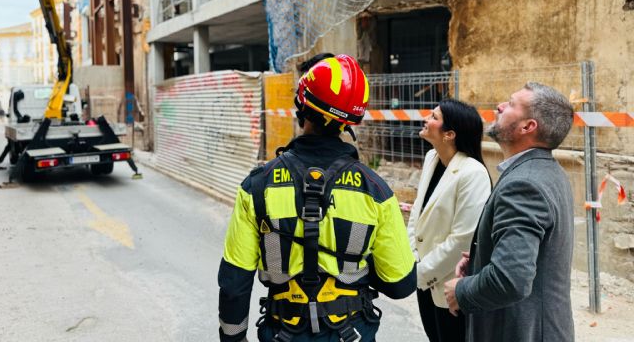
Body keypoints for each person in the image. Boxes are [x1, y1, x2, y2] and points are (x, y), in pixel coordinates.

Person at [218, 54, 416, 342]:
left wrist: (233, 338)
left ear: (302, 108)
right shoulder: (375, 191)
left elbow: (234, 283)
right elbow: (400, 284)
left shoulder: (257, 186)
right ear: (348, 123)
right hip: (352, 334)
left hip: (282, 333)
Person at [444, 82, 575, 342]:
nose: (500, 106)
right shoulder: (547, 171)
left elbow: (511, 279)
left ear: (528, 126)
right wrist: (481, 257)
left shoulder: (524, 184)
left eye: (511, 104)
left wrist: (462, 291)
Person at [407, 99, 491, 342]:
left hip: (449, 284)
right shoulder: (431, 158)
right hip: (423, 277)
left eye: (434, 117)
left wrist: (420, 273)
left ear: (450, 134)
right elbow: (417, 214)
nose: (426, 119)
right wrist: (412, 259)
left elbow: (462, 240)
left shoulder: (473, 173)